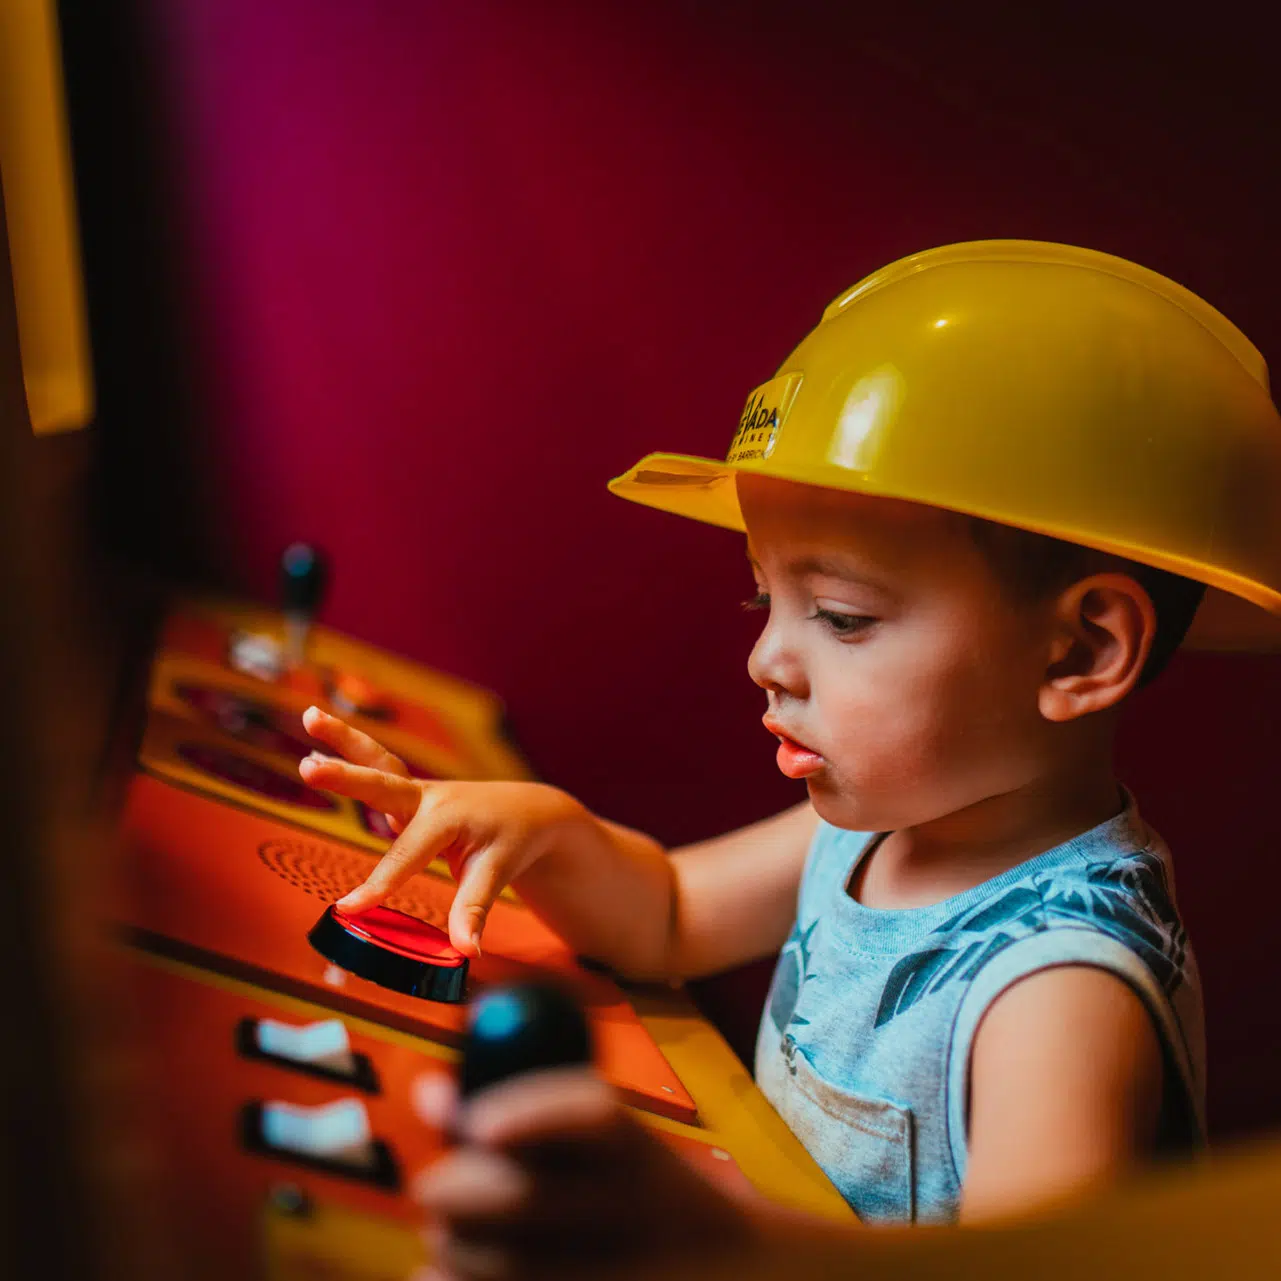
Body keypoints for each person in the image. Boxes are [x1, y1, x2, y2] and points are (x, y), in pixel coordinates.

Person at [298, 242, 1281, 1278]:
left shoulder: (1062, 991)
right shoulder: (882, 826)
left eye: (843, 616)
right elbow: (669, 911)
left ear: (1081, 651)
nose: (768, 658)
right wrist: (539, 828)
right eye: (766, 597)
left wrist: (716, 1243)